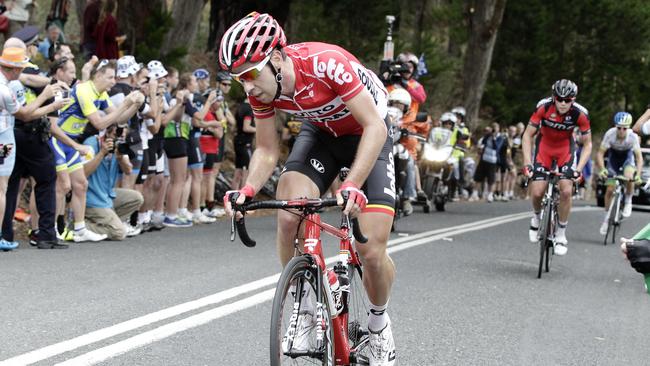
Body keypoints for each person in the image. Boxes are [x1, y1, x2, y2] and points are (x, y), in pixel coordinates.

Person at [220, 12, 396, 365]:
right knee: (289, 214)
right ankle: (303, 300)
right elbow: (268, 149)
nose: (248, 86)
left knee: (371, 249)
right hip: (321, 135)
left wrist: (352, 184)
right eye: (239, 79)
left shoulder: (326, 63)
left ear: (278, 57)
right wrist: (248, 189)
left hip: (367, 131)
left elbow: (374, 126)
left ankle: (378, 327)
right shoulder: (262, 90)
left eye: (252, 73)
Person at [51, 59, 144, 242]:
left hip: (70, 141)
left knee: (80, 185)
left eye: (115, 78)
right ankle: (53, 229)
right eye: (110, 77)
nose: (113, 82)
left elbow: (118, 118)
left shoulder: (100, 94)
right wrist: (125, 104)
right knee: (63, 186)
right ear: (98, 75)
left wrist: (134, 105)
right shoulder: (85, 90)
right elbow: (100, 123)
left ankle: (79, 230)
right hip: (58, 137)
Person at [522, 79, 592, 256]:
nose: (562, 103)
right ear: (553, 97)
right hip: (544, 147)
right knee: (537, 191)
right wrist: (527, 163)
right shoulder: (543, 107)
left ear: (573, 100)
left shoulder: (580, 114)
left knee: (566, 191)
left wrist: (579, 169)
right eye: (559, 99)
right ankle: (537, 218)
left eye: (567, 100)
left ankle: (561, 233)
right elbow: (527, 135)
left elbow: (588, 144)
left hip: (565, 150)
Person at [83, 124, 144, 240]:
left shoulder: (118, 145)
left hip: (107, 195)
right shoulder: (91, 144)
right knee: (119, 233)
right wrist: (102, 153)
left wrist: (120, 157)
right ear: (106, 133)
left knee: (136, 198)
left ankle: (107, 222)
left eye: (122, 137)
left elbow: (128, 170)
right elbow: (84, 173)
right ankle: (77, 226)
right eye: (116, 136)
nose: (119, 139)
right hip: (91, 198)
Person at [0, 47, 28, 251]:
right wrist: (48, 101)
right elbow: (24, 114)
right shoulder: (6, 90)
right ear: (15, 69)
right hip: (3, 140)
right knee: (1, 187)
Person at [596, 112, 642, 234]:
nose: (621, 131)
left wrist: (638, 175)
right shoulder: (610, 134)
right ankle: (606, 218)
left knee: (629, 176)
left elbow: (639, 158)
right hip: (614, 158)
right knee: (610, 189)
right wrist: (602, 169)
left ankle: (628, 200)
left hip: (627, 158)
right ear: (615, 126)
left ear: (628, 128)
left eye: (624, 128)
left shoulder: (632, 136)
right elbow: (600, 154)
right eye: (619, 128)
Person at [231, 97, 255, 190]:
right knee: (247, 172)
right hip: (245, 143)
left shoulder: (240, 106)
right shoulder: (249, 108)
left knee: (238, 171)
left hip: (238, 141)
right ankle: (243, 199)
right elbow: (246, 127)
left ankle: (233, 197)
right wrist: (259, 130)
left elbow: (236, 125)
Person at [470, 125, 498, 202]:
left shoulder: (497, 138)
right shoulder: (485, 138)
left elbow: (496, 147)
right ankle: (474, 194)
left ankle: (490, 195)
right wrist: (488, 136)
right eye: (486, 131)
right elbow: (482, 143)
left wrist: (493, 138)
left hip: (492, 161)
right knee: (478, 177)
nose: (488, 132)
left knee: (491, 179)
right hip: (484, 159)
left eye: (489, 131)